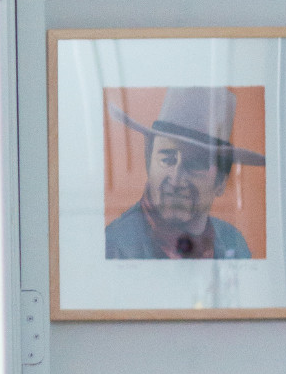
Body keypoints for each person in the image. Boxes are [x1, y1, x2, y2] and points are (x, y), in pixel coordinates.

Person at [104, 87, 263, 260]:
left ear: (221, 183)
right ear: (149, 166)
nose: (176, 179)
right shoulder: (114, 246)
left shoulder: (233, 242)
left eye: (195, 164)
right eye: (167, 160)